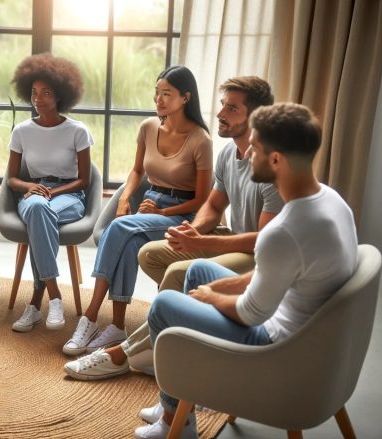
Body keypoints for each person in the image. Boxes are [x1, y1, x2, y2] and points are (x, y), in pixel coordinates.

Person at [133, 103, 358, 439]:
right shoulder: (329, 200)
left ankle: (175, 422)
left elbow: (250, 314)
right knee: (196, 272)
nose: (247, 153)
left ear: (276, 160)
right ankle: (179, 399)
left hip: (275, 346)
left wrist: (212, 296)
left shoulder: (285, 232)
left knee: (164, 306)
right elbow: (278, 275)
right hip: (301, 324)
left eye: (255, 147)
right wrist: (216, 287)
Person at [64, 76, 282, 379]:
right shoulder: (227, 154)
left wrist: (199, 235)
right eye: (222, 106)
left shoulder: (270, 165)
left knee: (178, 273)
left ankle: (126, 351)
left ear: (256, 117)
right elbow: (214, 206)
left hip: (257, 255)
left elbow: (263, 242)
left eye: (231, 109)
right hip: (228, 236)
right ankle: (171, 332)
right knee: (150, 255)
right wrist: (196, 230)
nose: (220, 114)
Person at [62, 66, 213, 356]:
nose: (159, 99)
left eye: (167, 94)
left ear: (185, 98)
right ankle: (117, 325)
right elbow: (136, 171)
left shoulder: (200, 140)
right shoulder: (148, 128)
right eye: (157, 93)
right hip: (150, 205)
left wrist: (166, 212)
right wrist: (124, 199)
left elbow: (203, 199)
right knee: (129, 241)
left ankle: (91, 315)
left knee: (118, 228)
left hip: (181, 214)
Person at [7, 53, 94, 332]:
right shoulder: (21, 131)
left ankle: (35, 302)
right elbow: (10, 179)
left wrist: (54, 193)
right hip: (34, 193)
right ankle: (54, 296)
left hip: (69, 196)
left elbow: (84, 180)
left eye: (46, 93)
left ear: (60, 95)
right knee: (37, 210)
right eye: (34, 92)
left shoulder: (77, 131)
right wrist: (30, 187)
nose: (38, 99)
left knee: (38, 213)